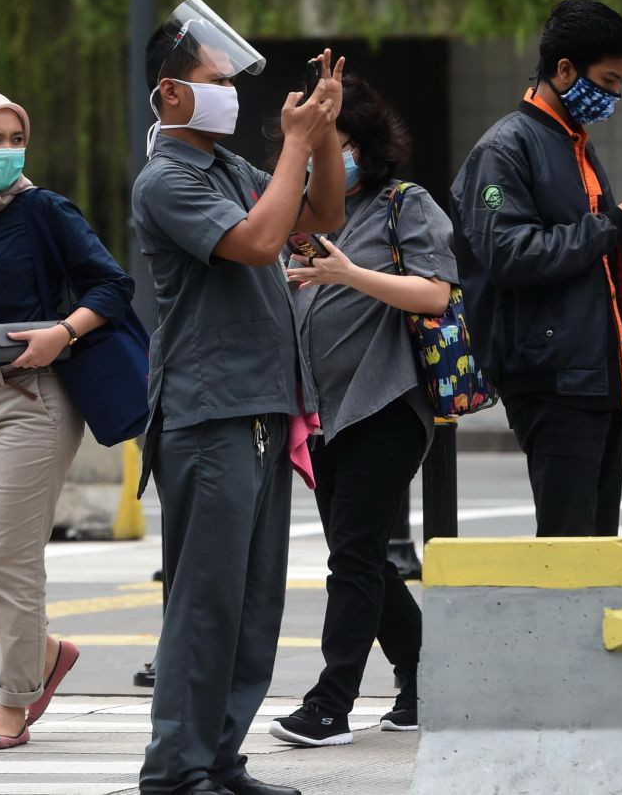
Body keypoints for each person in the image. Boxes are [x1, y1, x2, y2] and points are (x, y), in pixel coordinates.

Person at [132, 0, 346, 795]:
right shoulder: (167, 180)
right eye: (217, 79)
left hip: (260, 406)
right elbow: (258, 241)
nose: (233, 92)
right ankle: (176, 768)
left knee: (254, 606)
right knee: (206, 604)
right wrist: (294, 142)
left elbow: (321, 215)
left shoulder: (224, 169)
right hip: (209, 412)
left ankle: (219, 756)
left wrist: (320, 135)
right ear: (172, 94)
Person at [0, 90, 135, 750]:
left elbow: (112, 284)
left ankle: (14, 703)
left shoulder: (43, 211)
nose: (4, 151)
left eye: (15, 137)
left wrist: (63, 332)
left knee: (12, 560)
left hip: (35, 397)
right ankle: (44, 654)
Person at [451, 0, 622, 538]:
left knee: (596, 548)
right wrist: (616, 225)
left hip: (600, 375)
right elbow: (509, 254)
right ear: (564, 69)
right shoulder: (505, 149)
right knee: (568, 549)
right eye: (608, 81)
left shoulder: (574, 145)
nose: (615, 95)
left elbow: (604, 262)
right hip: (554, 378)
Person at [261, 77, 454, 748]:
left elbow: (433, 295)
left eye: (334, 147)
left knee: (351, 559)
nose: (324, 163)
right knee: (364, 558)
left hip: (388, 403)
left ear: (366, 148)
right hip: (325, 415)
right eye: (312, 152)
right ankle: (428, 677)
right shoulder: (300, 219)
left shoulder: (406, 205)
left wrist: (349, 275)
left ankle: (330, 704)